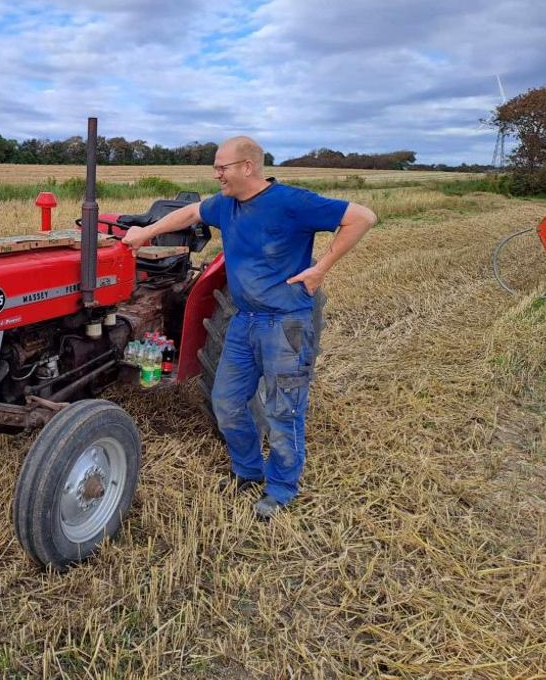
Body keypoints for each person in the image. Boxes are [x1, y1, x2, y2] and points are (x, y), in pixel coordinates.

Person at [122, 136, 377, 520]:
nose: (216, 174)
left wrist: (321, 268)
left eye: (222, 167)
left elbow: (362, 217)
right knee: (225, 403)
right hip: (244, 322)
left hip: (285, 324)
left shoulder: (291, 202)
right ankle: (247, 470)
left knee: (283, 411)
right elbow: (191, 212)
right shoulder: (226, 205)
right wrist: (146, 232)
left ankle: (281, 488)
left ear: (247, 167)